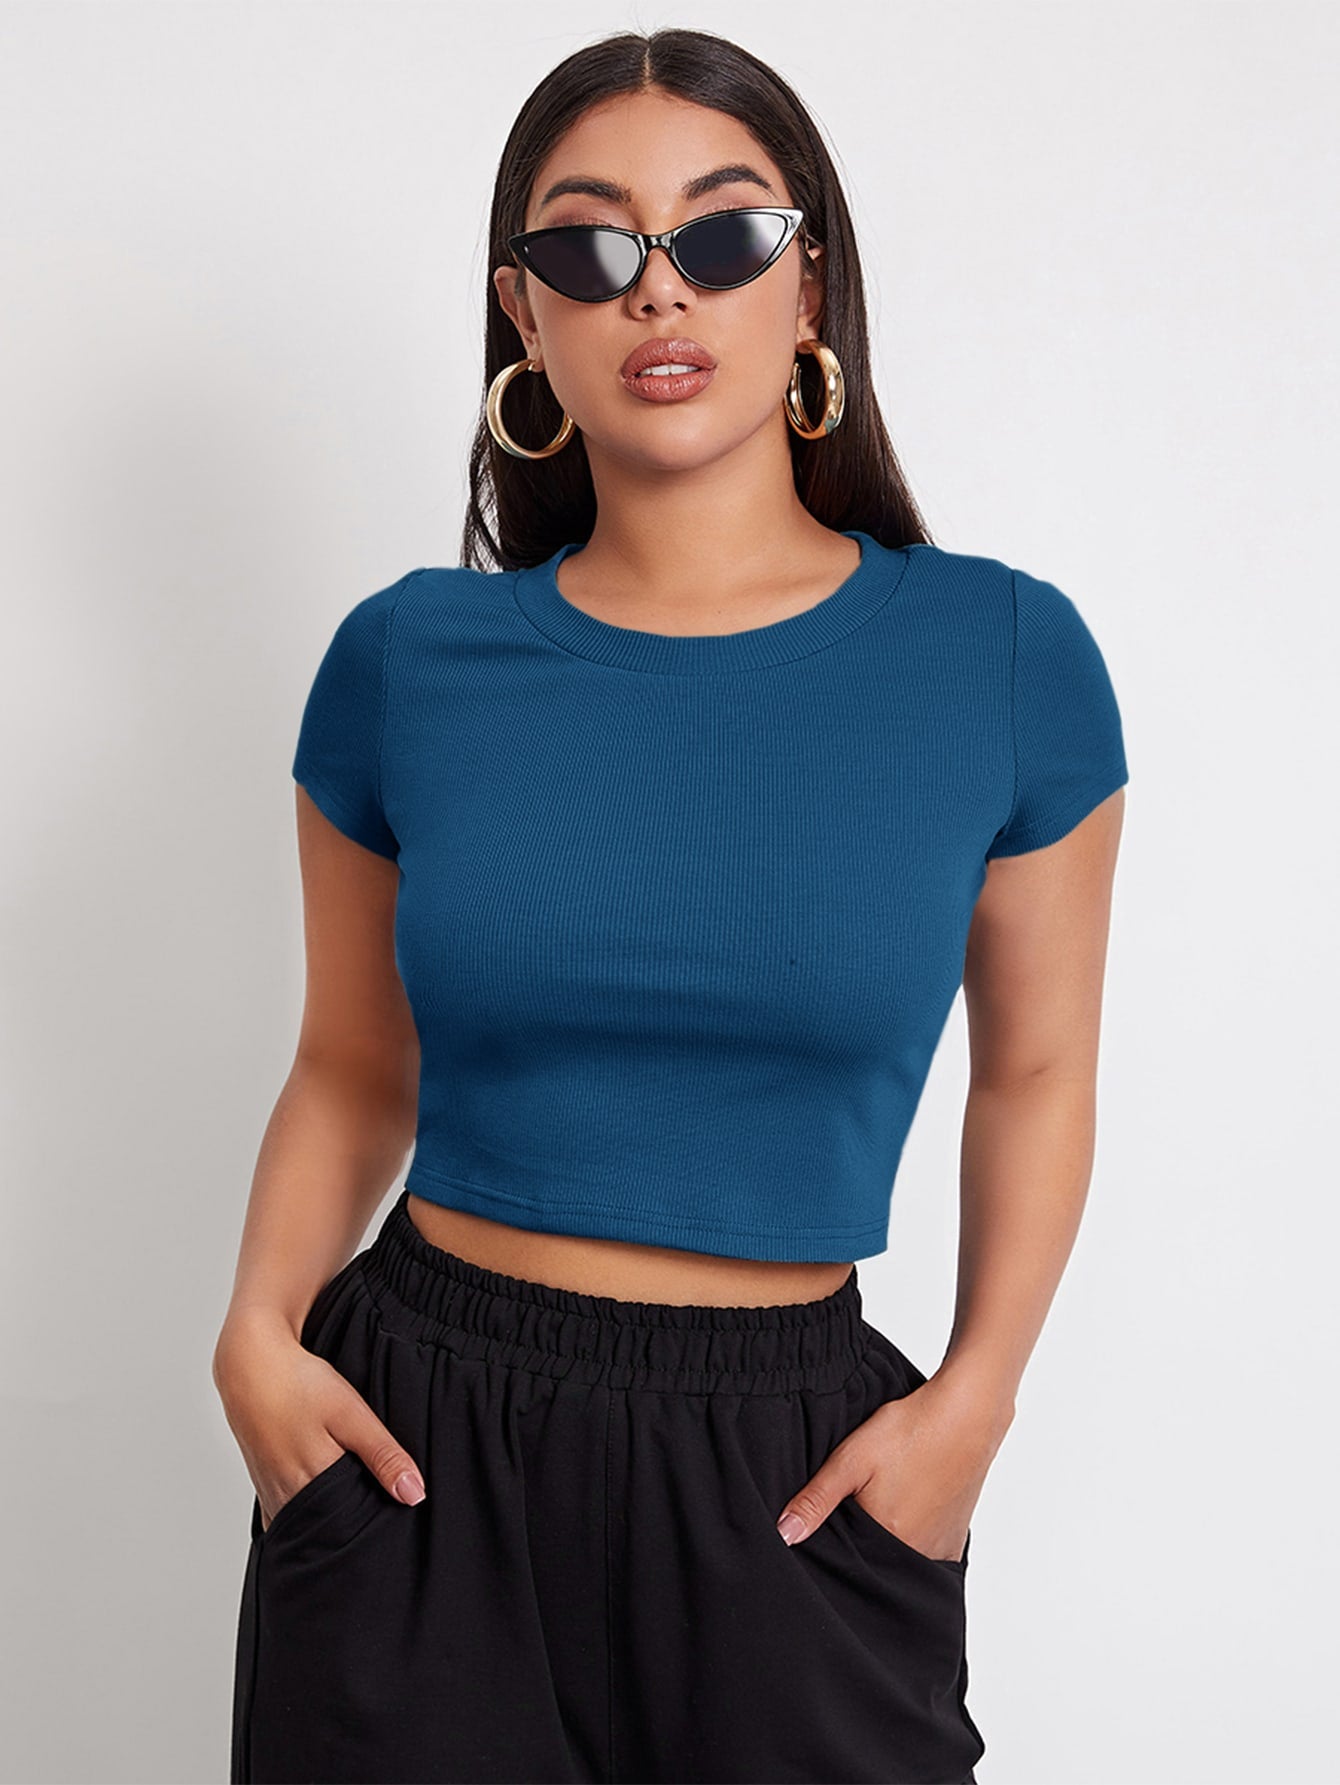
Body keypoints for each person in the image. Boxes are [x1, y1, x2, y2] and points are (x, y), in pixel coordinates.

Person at [215, 26, 1128, 1785]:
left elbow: (1039, 1071)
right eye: (588, 245)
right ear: (524, 314)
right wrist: (257, 1334)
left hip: (795, 1474)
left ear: (810, 287)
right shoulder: (407, 660)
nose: (658, 287)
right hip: (415, 1446)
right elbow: (349, 1064)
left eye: (722, 232)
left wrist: (976, 1400)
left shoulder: (1002, 658)